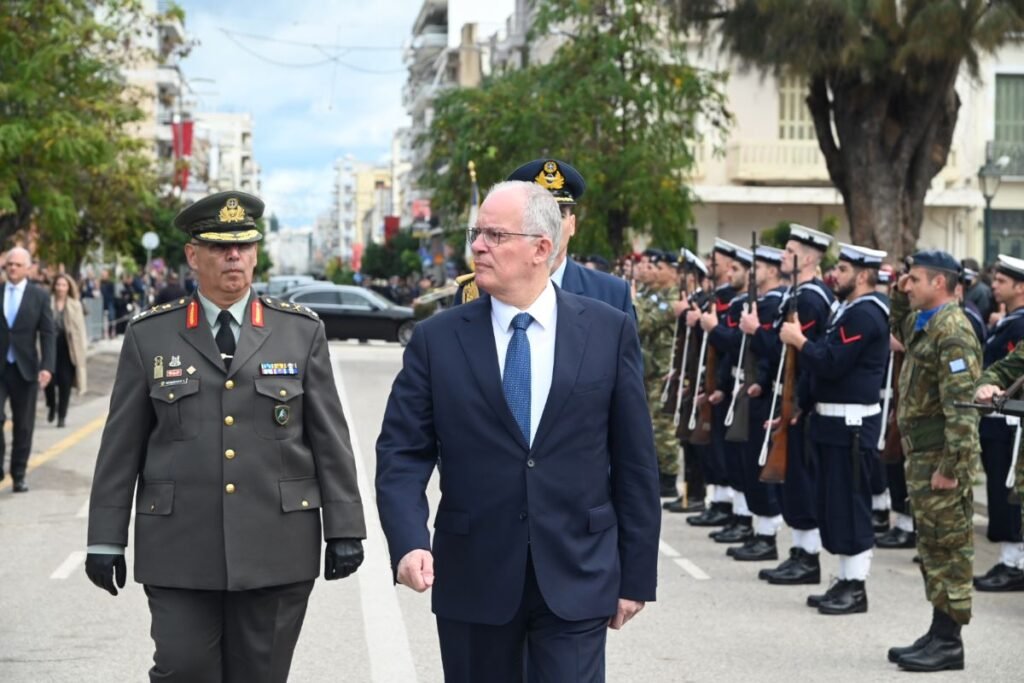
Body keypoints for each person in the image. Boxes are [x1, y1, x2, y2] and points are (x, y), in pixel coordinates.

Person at [376, 181, 660, 683]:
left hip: (577, 573)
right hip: (474, 575)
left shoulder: (607, 330)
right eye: (477, 233)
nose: (478, 247)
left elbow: (634, 460)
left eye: (496, 235)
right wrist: (408, 541)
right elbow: (402, 453)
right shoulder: (437, 339)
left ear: (541, 248)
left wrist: (636, 575)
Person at [84, 190, 367, 682]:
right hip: (179, 547)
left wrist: (345, 527)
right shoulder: (151, 335)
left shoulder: (299, 332)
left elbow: (329, 438)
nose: (233, 256)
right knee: (183, 668)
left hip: (277, 545)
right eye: (219, 246)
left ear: (256, 254)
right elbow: (121, 446)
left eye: (243, 246)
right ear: (193, 255)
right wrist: (104, 538)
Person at [779, 244, 890, 614]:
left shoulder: (867, 313)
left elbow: (831, 362)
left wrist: (799, 341)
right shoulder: (848, 310)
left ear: (863, 276)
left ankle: (856, 586)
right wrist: (804, 404)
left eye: (843, 270)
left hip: (851, 425)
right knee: (833, 504)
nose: (835, 275)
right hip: (831, 422)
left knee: (850, 504)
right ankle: (844, 579)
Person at [888, 250, 980, 672]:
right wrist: (897, 290)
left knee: (949, 549)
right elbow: (898, 326)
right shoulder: (926, 324)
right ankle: (938, 630)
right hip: (922, 456)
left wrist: (951, 468)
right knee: (931, 547)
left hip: (940, 458)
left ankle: (949, 641)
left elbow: (962, 410)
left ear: (939, 283)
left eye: (915, 280)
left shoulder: (953, 331)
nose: (909, 286)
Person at [454, 159, 634, 319]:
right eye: (537, 217)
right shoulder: (476, 289)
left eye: (558, 216)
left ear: (572, 224)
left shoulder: (611, 292)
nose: (548, 226)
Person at [758, 225, 836, 586]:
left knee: (801, 482)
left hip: (799, 399)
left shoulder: (810, 299)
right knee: (791, 481)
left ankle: (808, 557)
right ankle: (799, 552)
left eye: (788, 251)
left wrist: (799, 403)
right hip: (788, 394)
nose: (781, 256)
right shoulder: (797, 295)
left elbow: (803, 356)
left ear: (805, 259)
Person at [730, 245, 788, 560]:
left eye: (760, 267)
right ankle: (760, 531)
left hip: (772, 397)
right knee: (749, 462)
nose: (753, 273)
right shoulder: (764, 302)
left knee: (762, 465)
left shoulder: (775, 303)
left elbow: (776, 352)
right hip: (760, 389)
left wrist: (754, 331)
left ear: (774, 270)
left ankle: (767, 536)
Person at [972, 254, 1024, 591]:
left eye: (1002, 281)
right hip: (1003, 418)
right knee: (1006, 493)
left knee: (1009, 494)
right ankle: (1011, 560)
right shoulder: (1011, 323)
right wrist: (987, 384)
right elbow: (1002, 368)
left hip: (1009, 425)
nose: (994, 285)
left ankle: (1014, 562)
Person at [0, 247, 55, 493]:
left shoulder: (39, 296)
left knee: (23, 425)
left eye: (17, 265)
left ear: (28, 269)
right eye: (9, 264)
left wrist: (47, 367)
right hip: (1, 367)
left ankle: (19, 474)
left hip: (26, 369)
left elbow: (48, 333)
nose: (12, 268)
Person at [44, 274, 88, 428]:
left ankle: (62, 415)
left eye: (64, 285)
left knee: (65, 383)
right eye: (58, 285)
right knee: (49, 381)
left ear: (69, 287)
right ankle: (51, 405)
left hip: (69, 347)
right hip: (50, 346)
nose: (61, 288)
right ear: (54, 286)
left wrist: (82, 349)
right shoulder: (47, 302)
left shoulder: (75, 305)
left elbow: (80, 329)